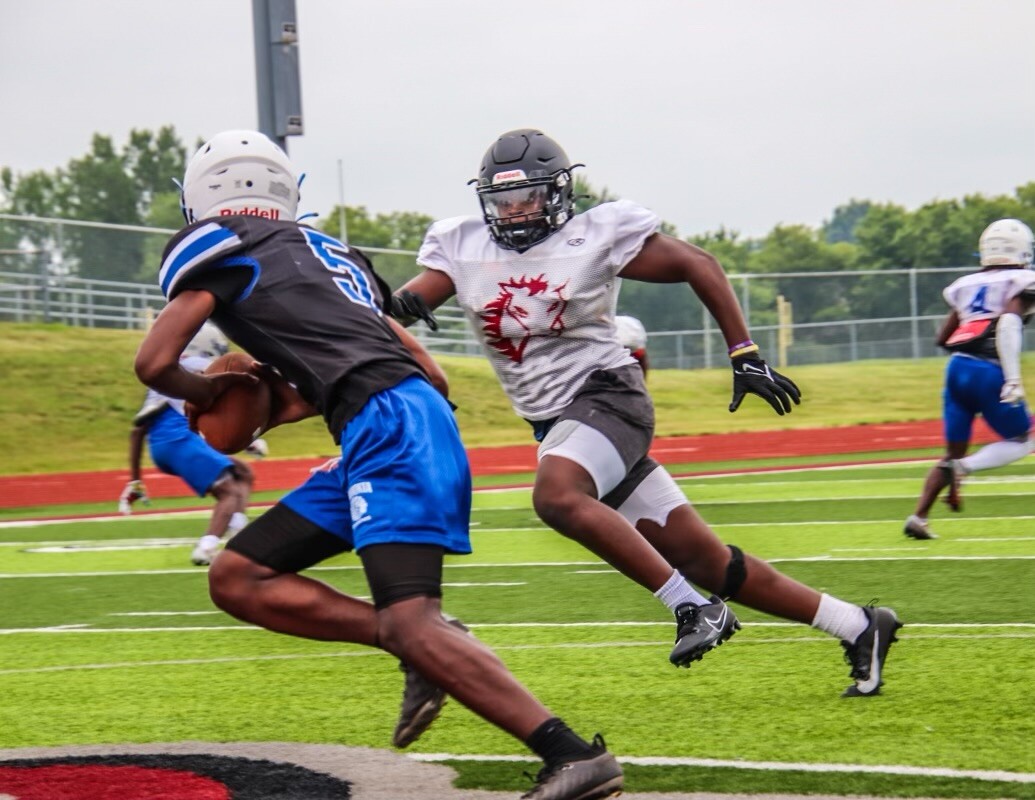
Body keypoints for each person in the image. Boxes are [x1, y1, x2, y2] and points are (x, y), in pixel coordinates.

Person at [133, 130, 622, 800]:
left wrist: (210, 392)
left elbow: (153, 364)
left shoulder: (219, 245)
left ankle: (571, 756)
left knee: (410, 616)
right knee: (238, 577)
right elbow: (428, 373)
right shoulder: (337, 257)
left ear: (200, 197)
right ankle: (416, 644)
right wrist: (297, 402)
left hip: (387, 427)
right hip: (394, 420)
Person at [392, 128, 901, 698]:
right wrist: (351, 308)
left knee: (556, 496)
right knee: (708, 561)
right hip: (561, 425)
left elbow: (697, 263)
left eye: (526, 197)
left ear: (557, 194)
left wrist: (745, 353)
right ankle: (857, 625)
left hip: (609, 396)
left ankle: (690, 608)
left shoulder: (594, 235)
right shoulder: (462, 247)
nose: (514, 212)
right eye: (503, 200)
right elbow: (401, 307)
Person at [904, 218, 1035, 540]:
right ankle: (965, 468)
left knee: (953, 454)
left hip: (957, 370)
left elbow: (943, 338)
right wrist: (1012, 379)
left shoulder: (966, 284)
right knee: (1026, 439)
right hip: (991, 371)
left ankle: (919, 517)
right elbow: (1008, 322)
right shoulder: (1022, 280)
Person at [119, 322, 262, 566]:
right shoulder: (200, 366)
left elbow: (137, 430)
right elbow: (222, 414)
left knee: (243, 472)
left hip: (162, 446)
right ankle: (206, 547)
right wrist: (249, 439)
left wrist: (135, 480)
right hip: (179, 440)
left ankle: (237, 530)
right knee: (228, 491)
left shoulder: (166, 373)